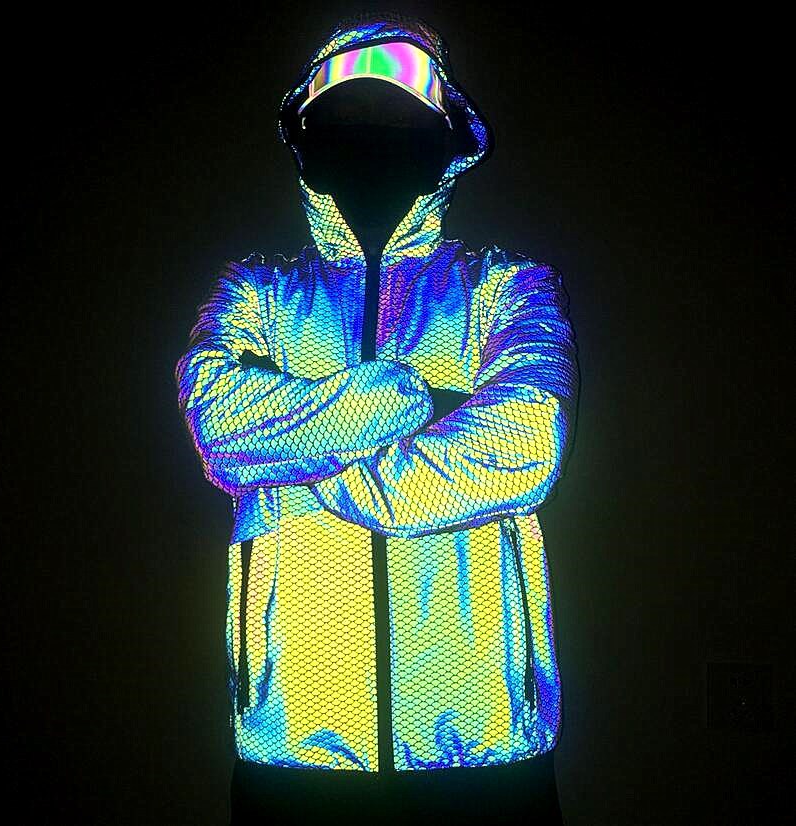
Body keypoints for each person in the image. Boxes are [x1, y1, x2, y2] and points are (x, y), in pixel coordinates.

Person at [174, 10, 579, 825]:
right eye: (346, 118)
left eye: (396, 119)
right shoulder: (254, 290)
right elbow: (218, 424)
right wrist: (411, 397)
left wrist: (302, 459)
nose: (372, 138)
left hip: (486, 754)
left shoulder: (508, 288)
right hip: (293, 752)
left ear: (445, 139)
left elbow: (526, 441)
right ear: (305, 138)